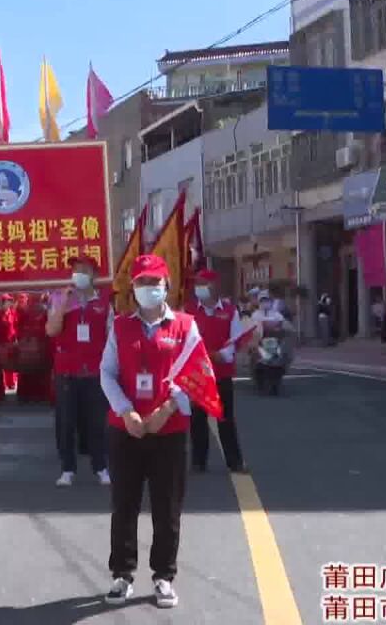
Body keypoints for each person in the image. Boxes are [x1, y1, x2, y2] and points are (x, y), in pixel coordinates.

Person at [100, 254, 206, 610]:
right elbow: (108, 373)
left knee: (167, 507)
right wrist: (125, 410)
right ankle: (122, 574)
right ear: (133, 287)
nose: (148, 289)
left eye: (154, 282)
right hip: (126, 430)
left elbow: (196, 373)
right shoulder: (119, 326)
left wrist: (169, 407)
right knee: (124, 505)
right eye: (142, 282)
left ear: (167, 285)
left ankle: (164, 575)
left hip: (169, 429)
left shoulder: (186, 326)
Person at [47, 255, 113, 487]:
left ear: (93, 274)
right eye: (75, 270)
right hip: (67, 372)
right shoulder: (59, 298)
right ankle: (67, 469)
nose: (79, 274)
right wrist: (64, 305)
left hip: (95, 372)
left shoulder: (104, 301)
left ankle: (101, 467)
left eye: (84, 270)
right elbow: (51, 330)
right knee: (66, 423)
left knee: (97, 422)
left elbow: (112, 336)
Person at [186, 269, 247, 473]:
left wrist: (222, 354)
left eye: (203, 284)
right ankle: (198, 461)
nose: (199, 288)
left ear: (214, 286)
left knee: (225, 419)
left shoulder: (230, 311)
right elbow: (185, 340)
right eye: (197, 284)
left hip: (222, 374)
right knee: (198, 420)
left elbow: (236, 339)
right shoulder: (191, 311)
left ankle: (235, 461)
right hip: (198, 375)